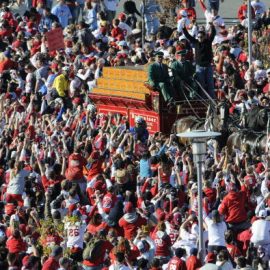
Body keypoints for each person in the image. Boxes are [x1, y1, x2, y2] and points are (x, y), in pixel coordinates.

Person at [182, 21, 216, 99]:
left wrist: (212, 26)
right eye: (198, 37)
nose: (199, 38)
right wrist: (184, 28)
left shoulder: (208, 42)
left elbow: (213, 34)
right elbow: (188, 36)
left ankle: (213, 99)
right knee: (202, 84)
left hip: (208, 66)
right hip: (199, 67)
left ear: (204, 37)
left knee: (210, 84)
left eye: (201, 37)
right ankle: (203, 99)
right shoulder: (196, 42)